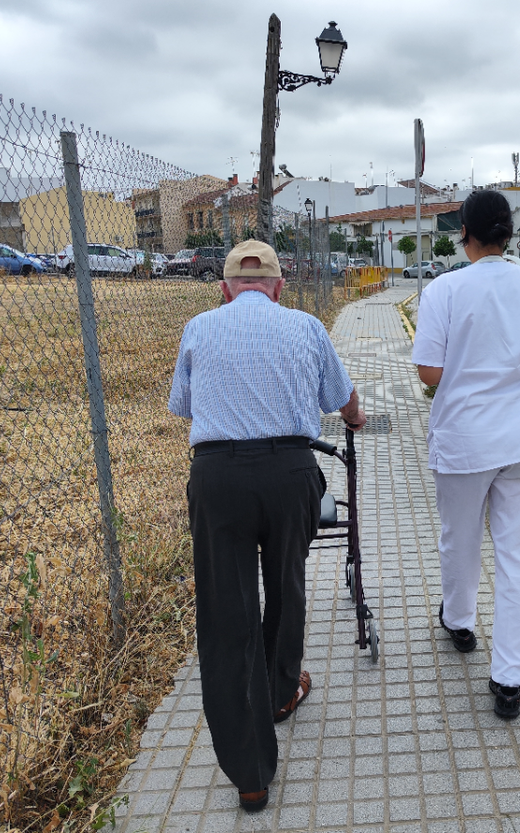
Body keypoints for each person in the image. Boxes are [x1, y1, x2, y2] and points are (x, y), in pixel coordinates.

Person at [168, 240, 366, 812]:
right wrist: (355, 415)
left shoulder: (199, 327)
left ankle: (250, 772)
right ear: (280, 286)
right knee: (286, 582)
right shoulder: (306, 326)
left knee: (226, 614)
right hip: (289, 472)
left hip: (218, 478)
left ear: (225, 287)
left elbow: (183, 406)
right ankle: (281, 691)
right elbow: (343, 400)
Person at [411, 190, 520, 718]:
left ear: (465, 233)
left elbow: (429, 374)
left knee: (460, 538)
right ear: (510, 233)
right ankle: (509, 682)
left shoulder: (445, 290)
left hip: (465, 441)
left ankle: (459, 622)